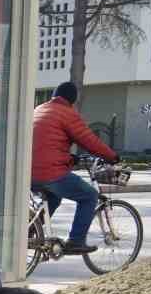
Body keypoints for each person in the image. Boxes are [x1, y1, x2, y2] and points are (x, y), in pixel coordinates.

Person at [31, 81, 118, 254]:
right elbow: (88, 140)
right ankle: (76, 241)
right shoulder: (66, 113)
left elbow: (46, 144)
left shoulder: (39, 109)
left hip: (28, 172)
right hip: (49, 172)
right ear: (72, 100)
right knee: (89, 195)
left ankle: (31, 231)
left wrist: (70, 159)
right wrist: (112, 157)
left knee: (54, 198)